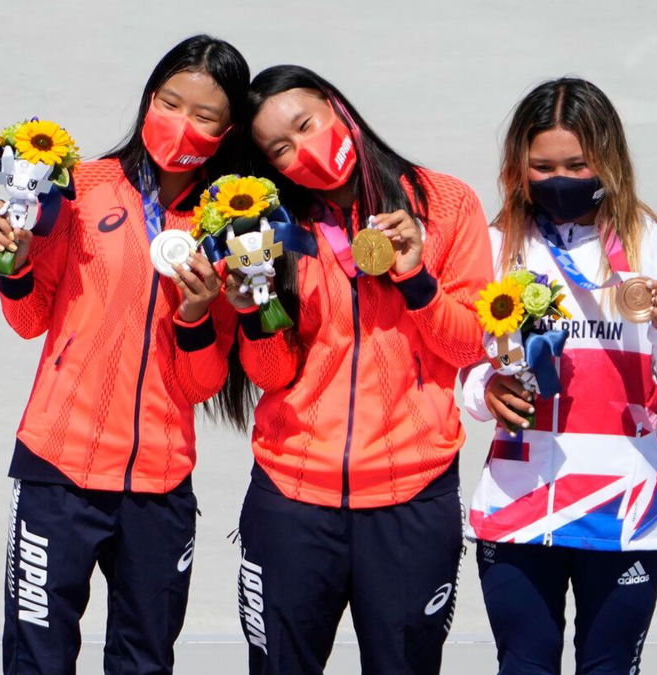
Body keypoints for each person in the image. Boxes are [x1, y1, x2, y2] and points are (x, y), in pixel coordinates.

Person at [0, 35, 249, 674]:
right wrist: (13, 264)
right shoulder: (81, 188)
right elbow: (29, 319)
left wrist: (192, 315)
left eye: (203, 115)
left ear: (228, 129)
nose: (180, 123)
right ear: (148, 98)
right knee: (37, 661)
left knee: (144, 661)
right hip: (59, 469)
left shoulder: (227, 225)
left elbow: (204, 382)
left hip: (158, 484)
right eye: (169, 101)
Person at [222, 64, 492, 675]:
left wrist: (416, 277)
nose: (302, 152)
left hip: (410, 499)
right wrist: (254, 311)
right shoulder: (271, 228)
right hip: (293, 497)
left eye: (306, 125)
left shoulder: (443, 202)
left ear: (337, 106)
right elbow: (271, 373)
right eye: (280, 150)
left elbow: (471, 346)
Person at [461, 78, 657, 675]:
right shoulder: (495, 247)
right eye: (542, 166)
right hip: (517, 507)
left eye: (577, 164)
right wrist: (484, 390)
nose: (560, 179)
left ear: (609, 160)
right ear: (516, 169)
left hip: (623, 510)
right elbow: (463, 373)